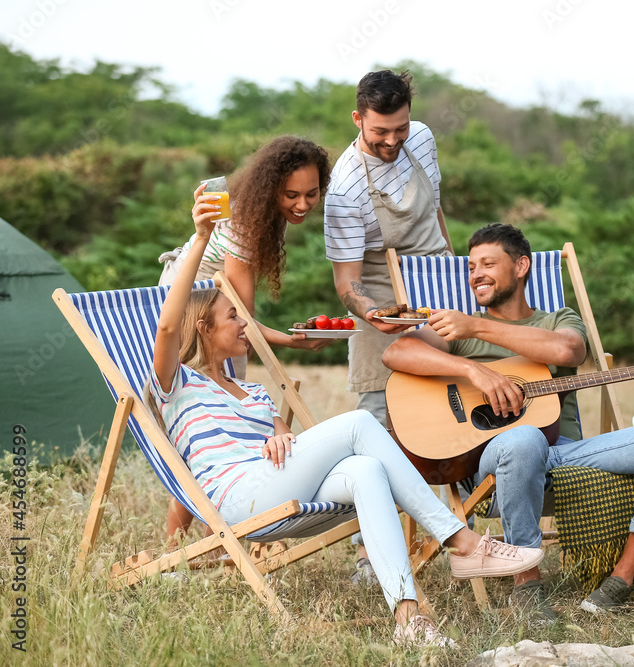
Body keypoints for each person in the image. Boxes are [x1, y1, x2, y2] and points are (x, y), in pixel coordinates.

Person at [147, 210, 544, 648]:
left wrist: (280, 432)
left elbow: (283, 437)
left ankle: (408, 621)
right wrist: (203, 237)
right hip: (237, 500)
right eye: (233, 317)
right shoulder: (178, 383)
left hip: (274, 484)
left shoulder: (253, 391)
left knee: (364, 471)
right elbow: (168, 325)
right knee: (358, 424)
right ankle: (461, 541)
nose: (246, 323)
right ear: (203, 327)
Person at [382, 223, 634, 620]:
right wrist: (472, 372)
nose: (475, 274)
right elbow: (397, 352)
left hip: (565, 455)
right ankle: (527, 588)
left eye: (487, 263)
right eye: (470, 266)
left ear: (521, 266)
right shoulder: (458, 333)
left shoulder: (554, 319)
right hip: (494, 462)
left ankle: (622, 577)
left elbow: (570, 349)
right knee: (524, 439)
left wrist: (480, 325)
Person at [158, 135, 338, 547]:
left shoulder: (261, 211)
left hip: (218, 314)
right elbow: (243, 318)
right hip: (192, 316)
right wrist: (293, 343)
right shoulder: (244, 221)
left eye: (312, 194)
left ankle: (220, 541)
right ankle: (177, 546)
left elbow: (240, 316)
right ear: (270, 187)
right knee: (205, 427)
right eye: (291, 194)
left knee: (231, 423)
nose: (303, 204)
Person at [323, 69, 454, 582]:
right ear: (358, 119)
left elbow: (436, 212)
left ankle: (466, 524)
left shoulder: (421, 138)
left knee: (458, 405)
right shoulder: (345, 187)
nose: (393, 141)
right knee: (379, 418)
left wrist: (453, 268)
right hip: (379, 298)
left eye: (399, 128)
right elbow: (346, 284)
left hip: (438, 282)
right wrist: (372, 312)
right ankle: (367, 551)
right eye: (381, 132)